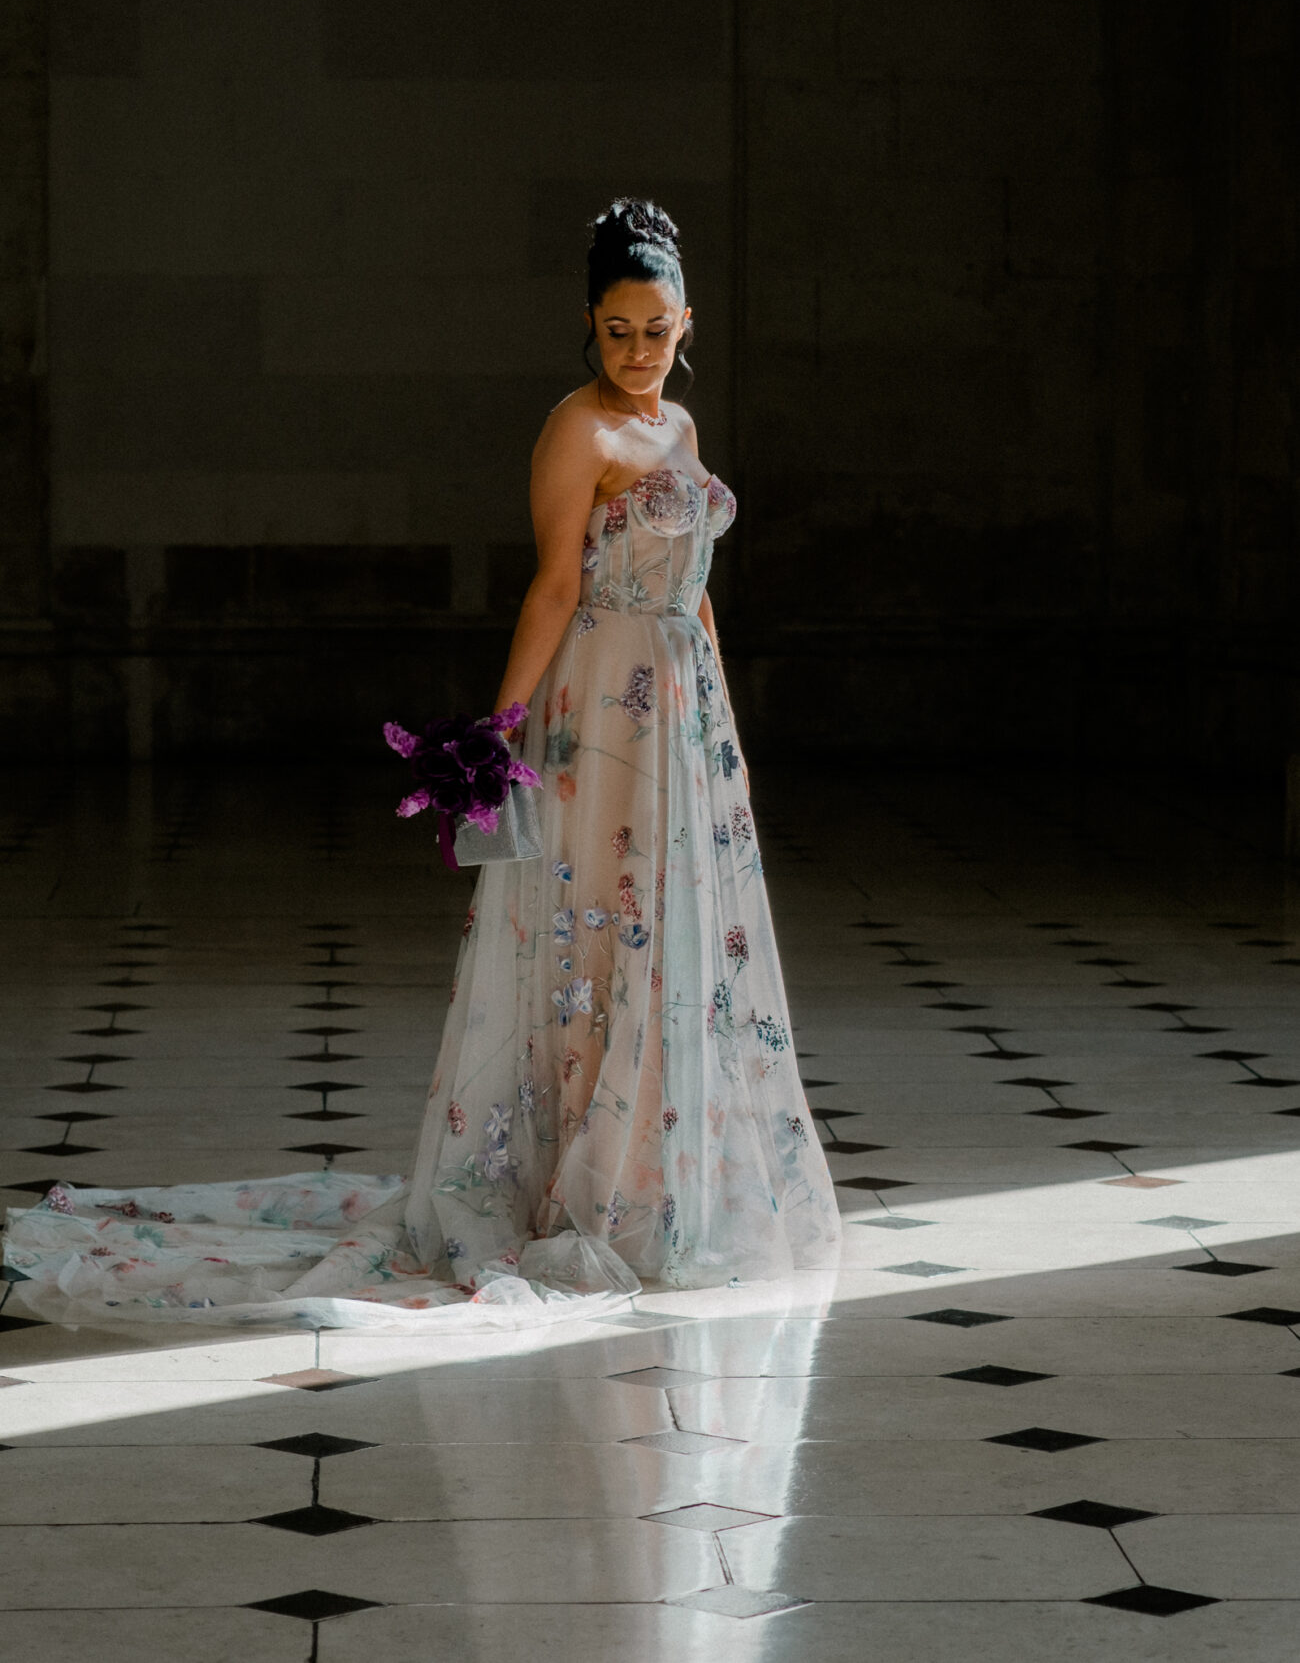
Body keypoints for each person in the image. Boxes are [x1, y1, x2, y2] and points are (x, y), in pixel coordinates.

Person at [1, 199, 842, 1331]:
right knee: (599, 927)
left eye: (656, 329)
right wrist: (497, 736)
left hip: (678, 715)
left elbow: (693, 593)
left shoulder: (679, 431)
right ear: (587, 327)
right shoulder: (575, 433)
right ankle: (567, 1178)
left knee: (669, 936)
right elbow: (553, 585)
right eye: (615, 331)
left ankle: (648, 1181)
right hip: (600, 707)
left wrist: (721, 730)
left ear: (687, 322)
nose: (638, 353)